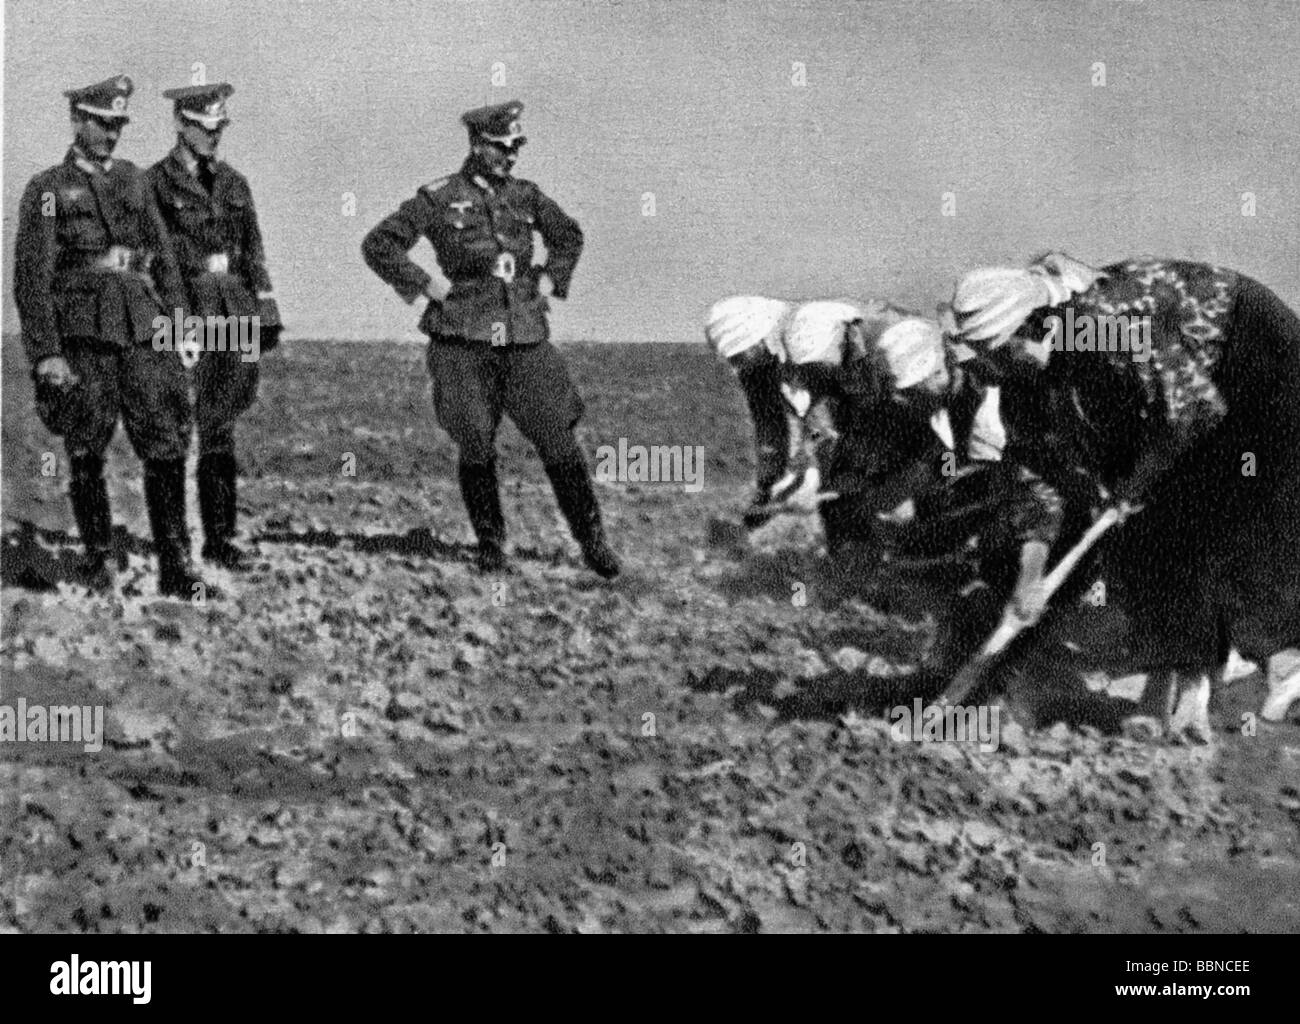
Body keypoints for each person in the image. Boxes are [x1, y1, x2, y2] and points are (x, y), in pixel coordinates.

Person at [951, 252, 1300, 739]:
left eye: (1000, 351)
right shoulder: (1027, 385)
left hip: (1254, 361)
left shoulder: (1103, 324)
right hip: (1174, 405)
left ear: (1036, 325)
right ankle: (1177, 689)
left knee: (1206, 515)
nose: (994, 369)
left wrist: (1136, 487)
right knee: (1135, 537)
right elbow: (1040, 481)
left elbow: (1194, 410)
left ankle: (1253, 674)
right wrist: (1030, 576)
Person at [362, 100, 619, 577]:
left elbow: (569, 236)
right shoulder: (439, 197)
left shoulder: (527, 195)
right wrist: (427, 286)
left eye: (516, 146)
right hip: (464, 337)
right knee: (476, 441)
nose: (511, 156)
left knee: (558, 437)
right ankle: (491, 544)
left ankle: (593, 542)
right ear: (477, 145)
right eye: (502, 147)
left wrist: (549, 279)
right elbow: (379, 244)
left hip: (523, 334)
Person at [13, 75, 205, 598]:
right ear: (77, 120)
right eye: (102, 123)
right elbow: (33, 276)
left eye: (118, 124)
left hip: (143, 327)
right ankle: (98, 558)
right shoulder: (49, 190)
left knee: (166, 441)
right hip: (84, 333)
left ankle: (175, 562)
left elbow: (163, 259)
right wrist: (47, 352)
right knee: (86, 445)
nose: (111, 134)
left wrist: (181, 324)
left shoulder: (136, 181)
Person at [147, 82, 283, 571]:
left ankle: (221, 540)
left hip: (235, 309)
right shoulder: (154, 185)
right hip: (187, 312)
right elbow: (157, 264)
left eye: (219, 127)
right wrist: (178, 323)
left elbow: (254, 251)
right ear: (181, 124)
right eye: (205, 127)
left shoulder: (234, 183)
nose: (213, 136)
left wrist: (266, 312)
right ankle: (175, 547)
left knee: (221, 424)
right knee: (176, 427)